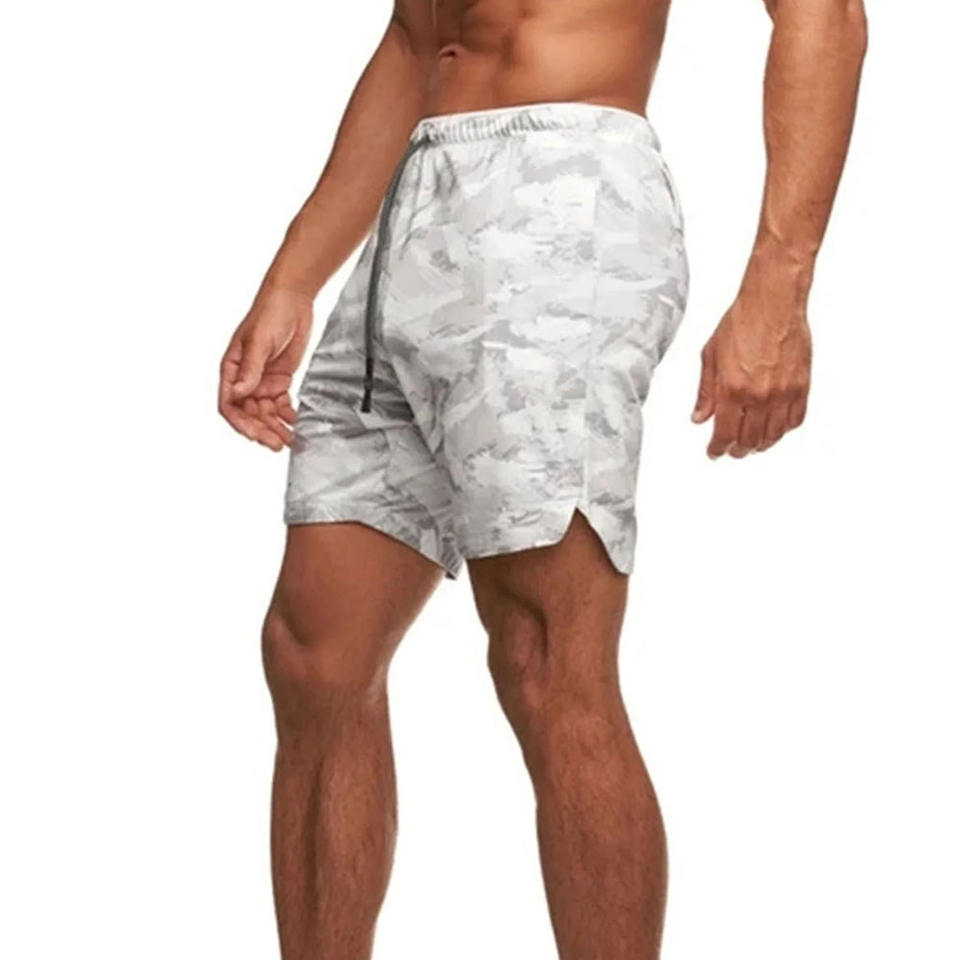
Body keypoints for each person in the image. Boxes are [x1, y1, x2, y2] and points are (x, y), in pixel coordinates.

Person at [217, 1, 867, 957]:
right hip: (415, 199)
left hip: (561, 189)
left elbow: (824, 12)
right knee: (314, 653)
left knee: (545, 659)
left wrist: (780, 285)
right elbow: (416, 39)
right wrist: (294, 276)